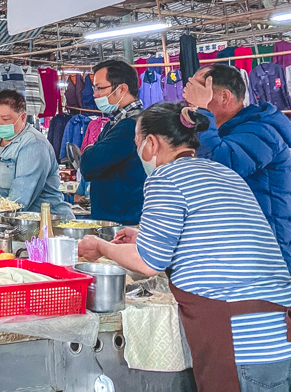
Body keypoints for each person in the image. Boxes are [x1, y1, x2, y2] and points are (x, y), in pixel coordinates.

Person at [78, 102, 291, 392]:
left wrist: (100, 246)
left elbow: (147, 262)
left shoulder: (166, 178)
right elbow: (206, 232)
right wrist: (141, 233)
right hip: (279, 333)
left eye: (137, 142)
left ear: (151, 143)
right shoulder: (226, 174)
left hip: (240, 341)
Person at [183, 63, 291, 269]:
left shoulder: (262, 128)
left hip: (265, 249)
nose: (191, 100)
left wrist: (203, 114)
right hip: (241, 241)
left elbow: (221, 168)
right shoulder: (224, 130)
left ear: (224, 97)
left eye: (199, 94)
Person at [0, 90, 73, 219]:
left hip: (43, 225)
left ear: (23, 117)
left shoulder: (34, 144)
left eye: (5, 119)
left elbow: (19, 200)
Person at [78, 59, 145, 225]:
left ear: (122, 88)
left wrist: (90, 152)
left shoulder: (131, 125)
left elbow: (88, 163)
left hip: (123, 220)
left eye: (100, 88)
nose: (94, 94)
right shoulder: (113, 124)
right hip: (114, 217)